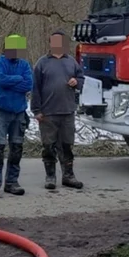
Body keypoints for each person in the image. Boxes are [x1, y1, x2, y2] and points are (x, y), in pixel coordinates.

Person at [31, 31, 85, 190]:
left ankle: (68, 176)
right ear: (50, 43)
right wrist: (36, 110)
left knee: (67, 145)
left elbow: (81, 78)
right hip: (48, 113)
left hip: (67, 111)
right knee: (48, 145)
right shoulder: (42, 63)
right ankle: (50, 177)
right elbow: (35, 88)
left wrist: (77, 82)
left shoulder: (72, 62)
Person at [0, 34, 33, 199]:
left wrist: (11, 82)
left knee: (16, 149)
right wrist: (17, 80)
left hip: (19, 113)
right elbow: (1, 81)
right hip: (1, 112)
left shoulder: (25, 65)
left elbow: (29, 84)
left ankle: (12, 182)